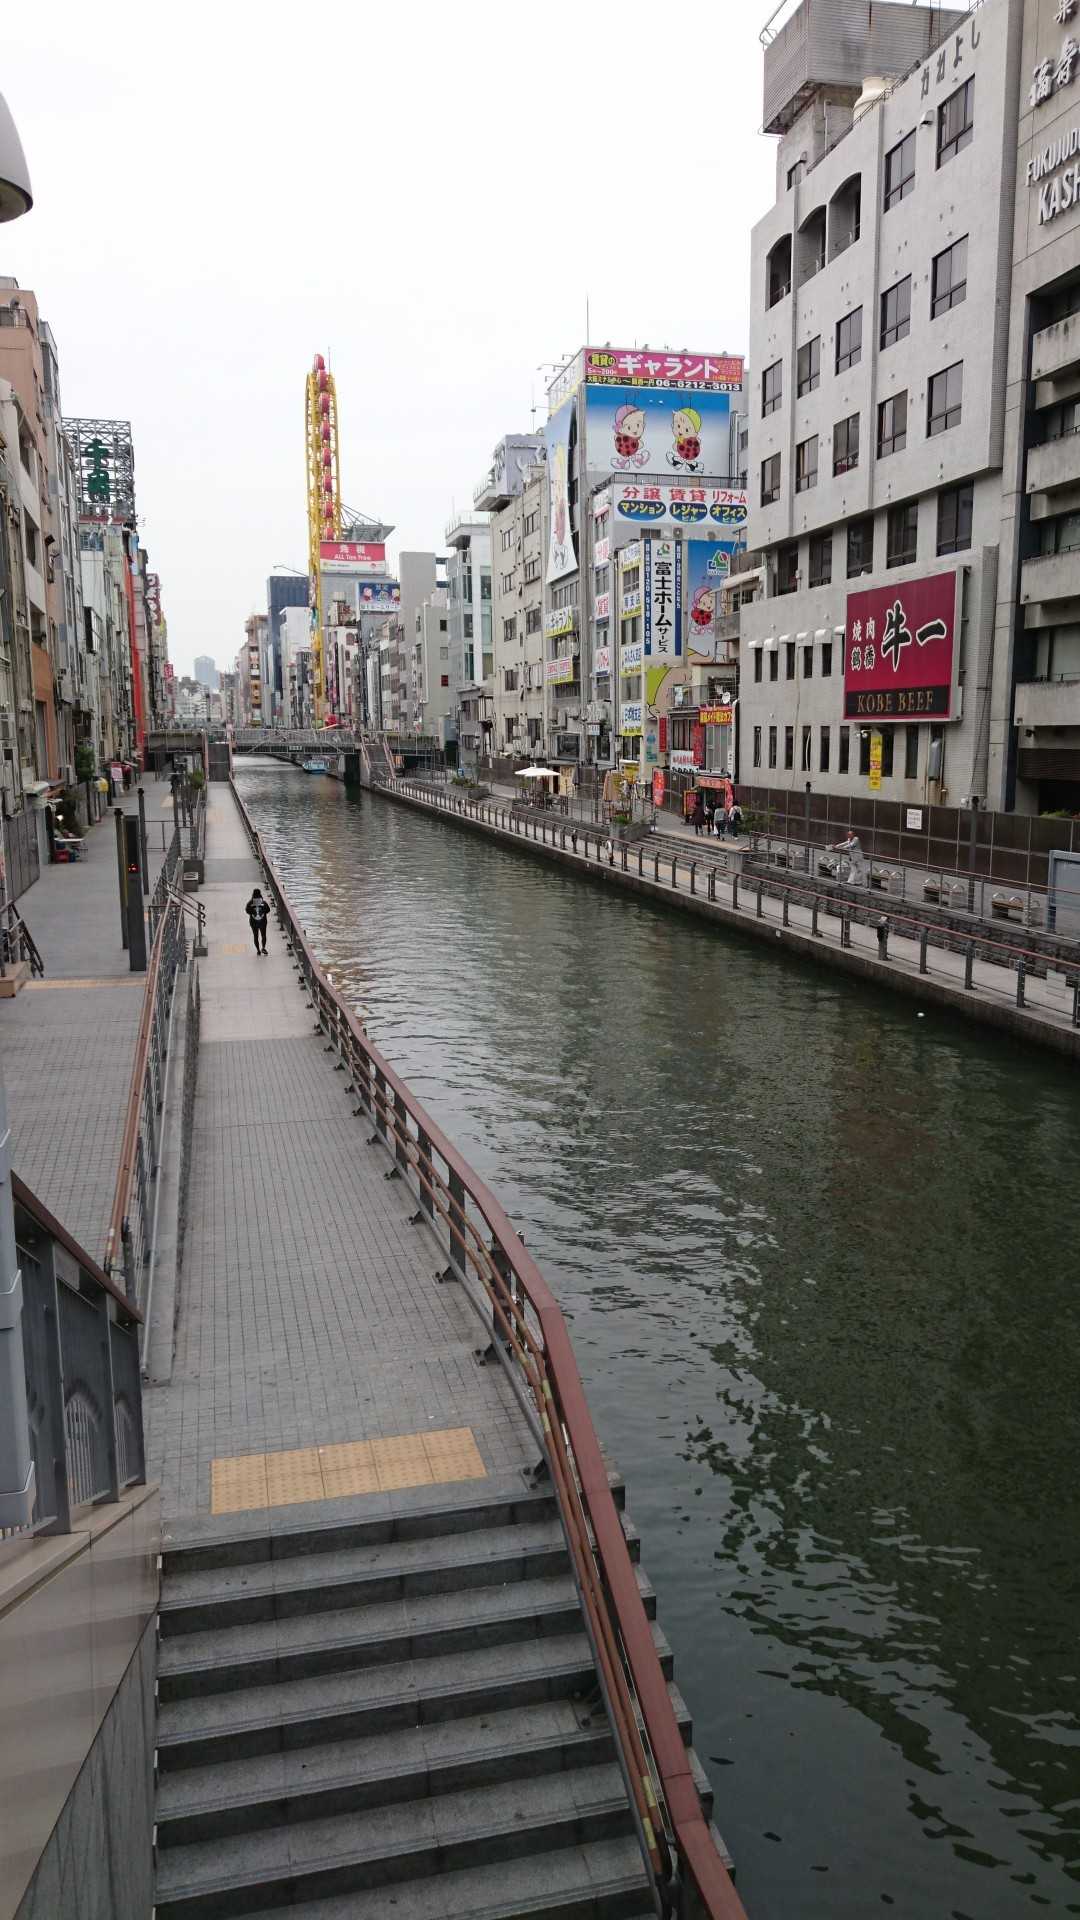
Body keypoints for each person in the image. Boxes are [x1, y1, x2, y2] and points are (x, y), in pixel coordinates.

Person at [245, 887, 270, 955]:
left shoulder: (250, 903)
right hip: (263, 921)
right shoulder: (263, 902)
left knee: (255, 936)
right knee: (263, 935)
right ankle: (263, 948)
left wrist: (252, 912)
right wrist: (263, 912)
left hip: (253, 922)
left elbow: (247, 911)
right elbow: (268, 910)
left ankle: (258, 950)